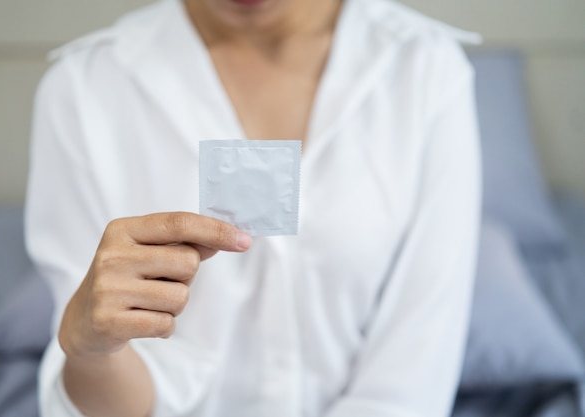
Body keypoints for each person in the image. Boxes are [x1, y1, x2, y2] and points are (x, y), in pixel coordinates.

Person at [25, 0, 482, 415]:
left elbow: (410, 382)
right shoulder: (84, 89)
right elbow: (110, 396)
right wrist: (88, 350)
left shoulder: (424, 70)